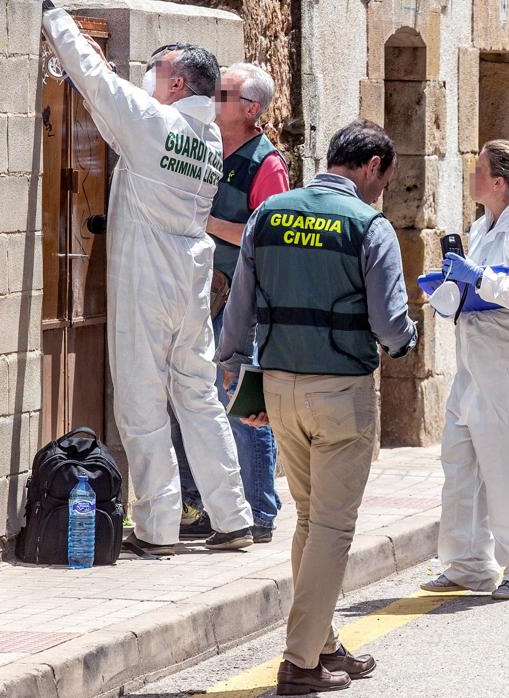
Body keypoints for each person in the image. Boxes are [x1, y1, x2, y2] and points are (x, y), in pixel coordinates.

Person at [41, 1, 254, 555]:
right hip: (191, 276)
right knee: (198, 398)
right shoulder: (207, 142)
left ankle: (157, 529)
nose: (149, 82)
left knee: (141, 401)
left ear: (178, 81)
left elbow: (95, 79)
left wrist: (55, 19)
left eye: (156, 73)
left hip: (149, 278)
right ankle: (232, 517)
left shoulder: (157, 125)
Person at [218, 118, 417, 694]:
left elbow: (240, 304)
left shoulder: (269, 214)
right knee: (332, 527)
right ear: (372, 166)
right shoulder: (368, 225)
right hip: (340, 395)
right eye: (384, 178)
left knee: (308, 520)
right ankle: (301, 662)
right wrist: (406, 341)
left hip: (278, 388)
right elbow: (388, 322)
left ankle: (324, 642)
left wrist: (232, 366)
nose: (381, 190)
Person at [420, 140, 509, 601]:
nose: (471, 175)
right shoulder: (484, 226)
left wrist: (479, 279)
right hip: (476, 370)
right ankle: (468, 563)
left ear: (499, 182)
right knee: (461, 467)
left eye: (478, 168)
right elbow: (482, 289)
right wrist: (450, 291)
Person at [174, 62, 290, 544]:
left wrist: (203, 222)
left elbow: (269, 235)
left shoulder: (267, 164)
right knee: (190, 397)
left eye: (223, 94)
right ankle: (196, 504)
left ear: (251, 109)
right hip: (201, 294)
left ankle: (260, 511)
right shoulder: (205, 146)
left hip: (241, 303)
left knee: (244, 402)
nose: (213, 99)